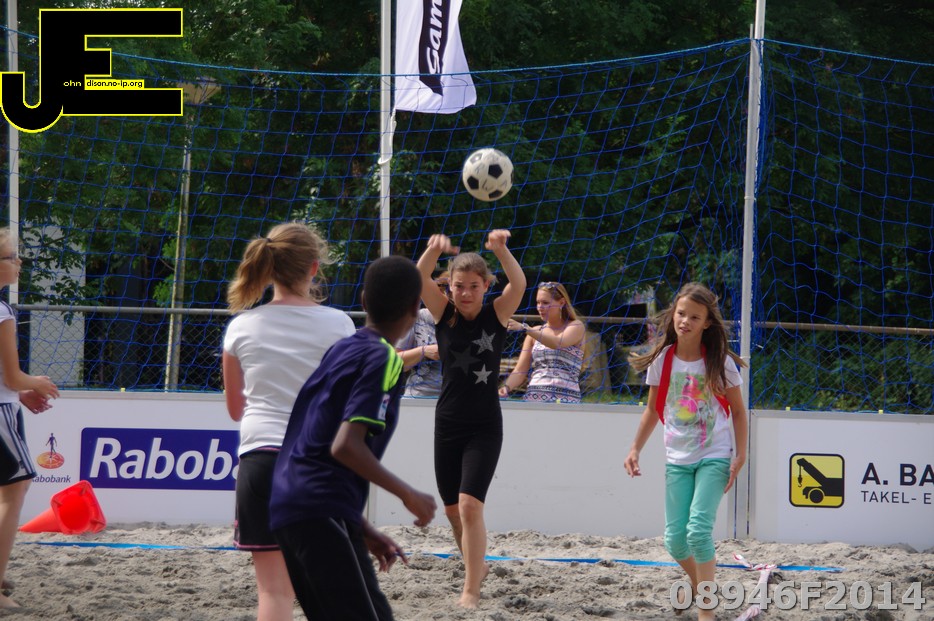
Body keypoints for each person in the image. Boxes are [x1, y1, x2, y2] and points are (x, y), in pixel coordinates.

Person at [269, 255, 437, 621]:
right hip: (316, 507)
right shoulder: (384, 358)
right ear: (416, 307)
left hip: (297, 503)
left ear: (363, 301)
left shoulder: (343, 348)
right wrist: (408, 494)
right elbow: (345, 445)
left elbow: (314, 438)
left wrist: (361, 528)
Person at [221, 222, 355, 621]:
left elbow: (235, 410)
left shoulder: (241, 326)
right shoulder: (340, 325)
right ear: (314, 268)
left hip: (260, 461)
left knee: (274, 594)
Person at [623, 282, 748, 621]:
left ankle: (706, 611)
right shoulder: (663, 360)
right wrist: (635, 448)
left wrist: (740, 455)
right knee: (675, 541)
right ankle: (702, 587)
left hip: (715, 455)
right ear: (673, 315)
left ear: (707, 322)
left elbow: (739, 412)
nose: (685, 321)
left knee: (698, 531)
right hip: (677, 458)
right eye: (681, 314)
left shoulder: (720, 362)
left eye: (694, 316)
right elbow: (652, 410)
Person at [416, 229, 526, 608]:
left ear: (485, 286)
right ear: (449, 287)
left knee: (469, 506)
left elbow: (519, 284)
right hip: (447, 424)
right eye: (458, 286)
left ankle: (471, 590)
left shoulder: (497, 314)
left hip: (484, 426)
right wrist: (434, 250)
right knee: (452, 511)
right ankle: (477, 568)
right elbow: (419, 277)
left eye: (473, 286)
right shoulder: (443, 314)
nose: (465, 293)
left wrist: (501, 250)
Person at [0, 228, 59, 609]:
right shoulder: (2, 312)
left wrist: (19, 391)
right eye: (10, 256)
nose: (18, 262)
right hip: (0, 413)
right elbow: (12, 375)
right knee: (15, 490)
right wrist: (34, 383)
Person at [498, 281, 586, 403]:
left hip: (566, 401)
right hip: (534, 399)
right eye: (538, 302)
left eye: (545, 303)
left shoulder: (576, 326)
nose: (540, 307)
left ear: (561, 303)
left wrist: (525, 328)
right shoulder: (534, 332)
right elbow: (520, 371)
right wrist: (506, 387)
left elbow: (557, 343)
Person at [395, 272, 449, 397]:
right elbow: (395, 363)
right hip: (419, 395)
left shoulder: (471, 318)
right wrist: (423, 351)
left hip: (457, 398)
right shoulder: (417, 318)